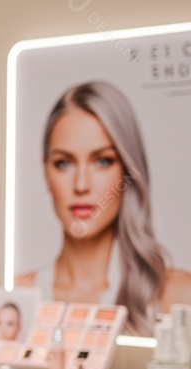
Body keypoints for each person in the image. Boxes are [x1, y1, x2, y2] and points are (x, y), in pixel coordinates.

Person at [16, 81, 191, 335]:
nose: (81, 185)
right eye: (64, 163)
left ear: (128, 171)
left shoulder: (177, 296)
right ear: (45, 171)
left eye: (102, 161)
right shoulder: (18, 295)